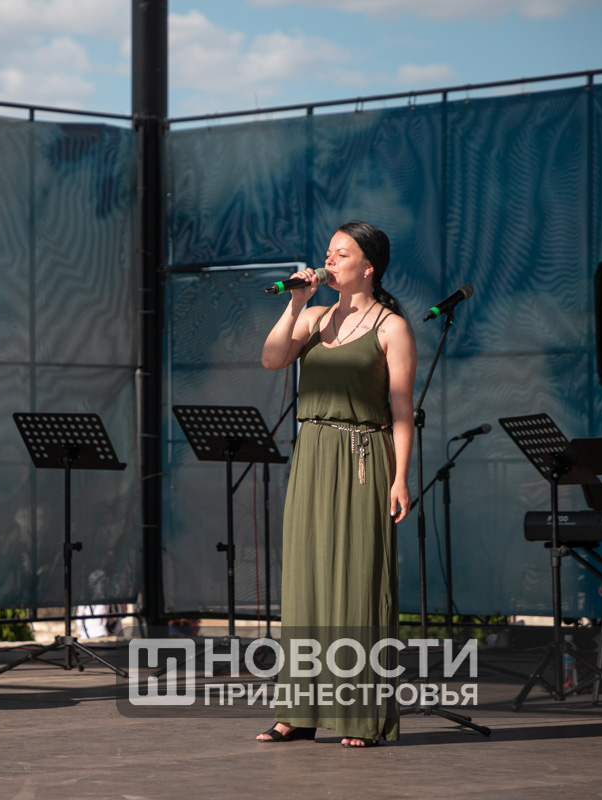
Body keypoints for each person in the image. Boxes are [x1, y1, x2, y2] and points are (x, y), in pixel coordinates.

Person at [256, 221, 417, 747]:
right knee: (306, 581)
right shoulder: (314, 316)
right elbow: (272, 358)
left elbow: (402, 411)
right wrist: (296, 302)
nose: (329, 261)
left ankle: (360, 715)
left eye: (341, 254)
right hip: (313, 454)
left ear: (368, 267)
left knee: (356, 581)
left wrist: (400, 478)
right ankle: (298, 711)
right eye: (328, 252)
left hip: (363, 456)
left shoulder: (391, 327)